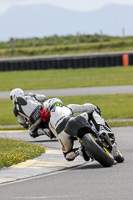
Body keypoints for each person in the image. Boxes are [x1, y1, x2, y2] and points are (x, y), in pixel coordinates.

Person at [41, 98, 123, 162]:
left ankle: (79, 151)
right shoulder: (67, 107)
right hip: (71, 122)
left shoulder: (50, 124)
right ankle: (101, 129)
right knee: (92, 112)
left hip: (63, 133)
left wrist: (65, 146)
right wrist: (95, 108)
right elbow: (84, 107)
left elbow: (58, 136)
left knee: (67, 155)